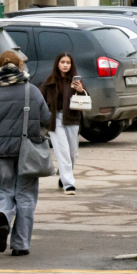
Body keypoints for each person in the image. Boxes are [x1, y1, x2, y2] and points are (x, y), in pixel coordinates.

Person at [0, 50, 50, 256]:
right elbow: (46, 118)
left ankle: (3, 216)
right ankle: (20, 245)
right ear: (20, 66)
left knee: (6, 192)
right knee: (25, 197)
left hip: (2, 153)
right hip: (28, 152)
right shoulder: (32, 91)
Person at [41, 52, 86, 195]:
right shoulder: (50, 81)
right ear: (57, 64)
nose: (65, 65)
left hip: (72, 120)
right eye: (62, 62)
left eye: (68, 62)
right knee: (63, 152)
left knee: (72, 153)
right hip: (55, 120)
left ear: (71, 65)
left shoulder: (76, 82)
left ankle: (63, 175)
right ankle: (69, 184)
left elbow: (86, 101)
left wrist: (81, 91)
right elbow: (40, 100)